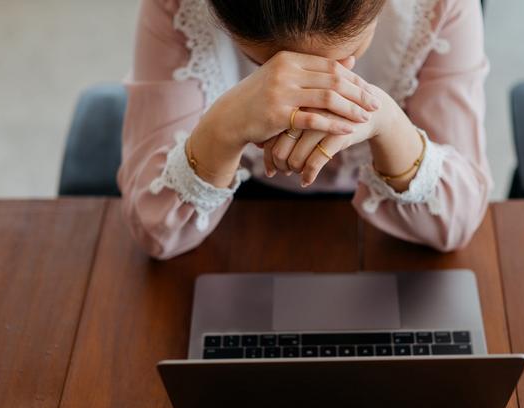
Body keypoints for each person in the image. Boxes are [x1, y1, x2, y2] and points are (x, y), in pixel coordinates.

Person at [119, 0, 492, 259]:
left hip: (391, 227)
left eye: (347, 58)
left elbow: (458, 220)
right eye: (263, 64)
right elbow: (155, 232)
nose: (313, 100)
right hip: (231, 216)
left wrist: (388, 123)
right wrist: (224, 125)